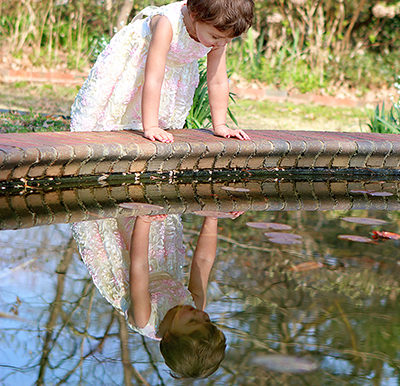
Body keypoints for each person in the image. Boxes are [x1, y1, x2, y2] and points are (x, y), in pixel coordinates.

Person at [71, 213, 241, 378]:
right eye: (207, 321)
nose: (200, 314)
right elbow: (203, 262)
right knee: (157, 210)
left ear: (169, 337)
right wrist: (212, 217)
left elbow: (140, 266)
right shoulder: (196, 307)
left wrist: (144, 221)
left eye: (193, 321)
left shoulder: (144, 318)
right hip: (161, 258)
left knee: (114, 214)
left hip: (127, 262)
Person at [70, 0, 254, 143]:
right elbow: (153, 78)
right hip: (137, 60)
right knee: (114, 108)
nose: (221, 44)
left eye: (228, 40)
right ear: (195, 15)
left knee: (159, 121)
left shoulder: (216, 32)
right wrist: (150, 126)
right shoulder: (168, 24)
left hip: (170, 66)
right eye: (216, 37)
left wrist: (220, 125)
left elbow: (218, 80)